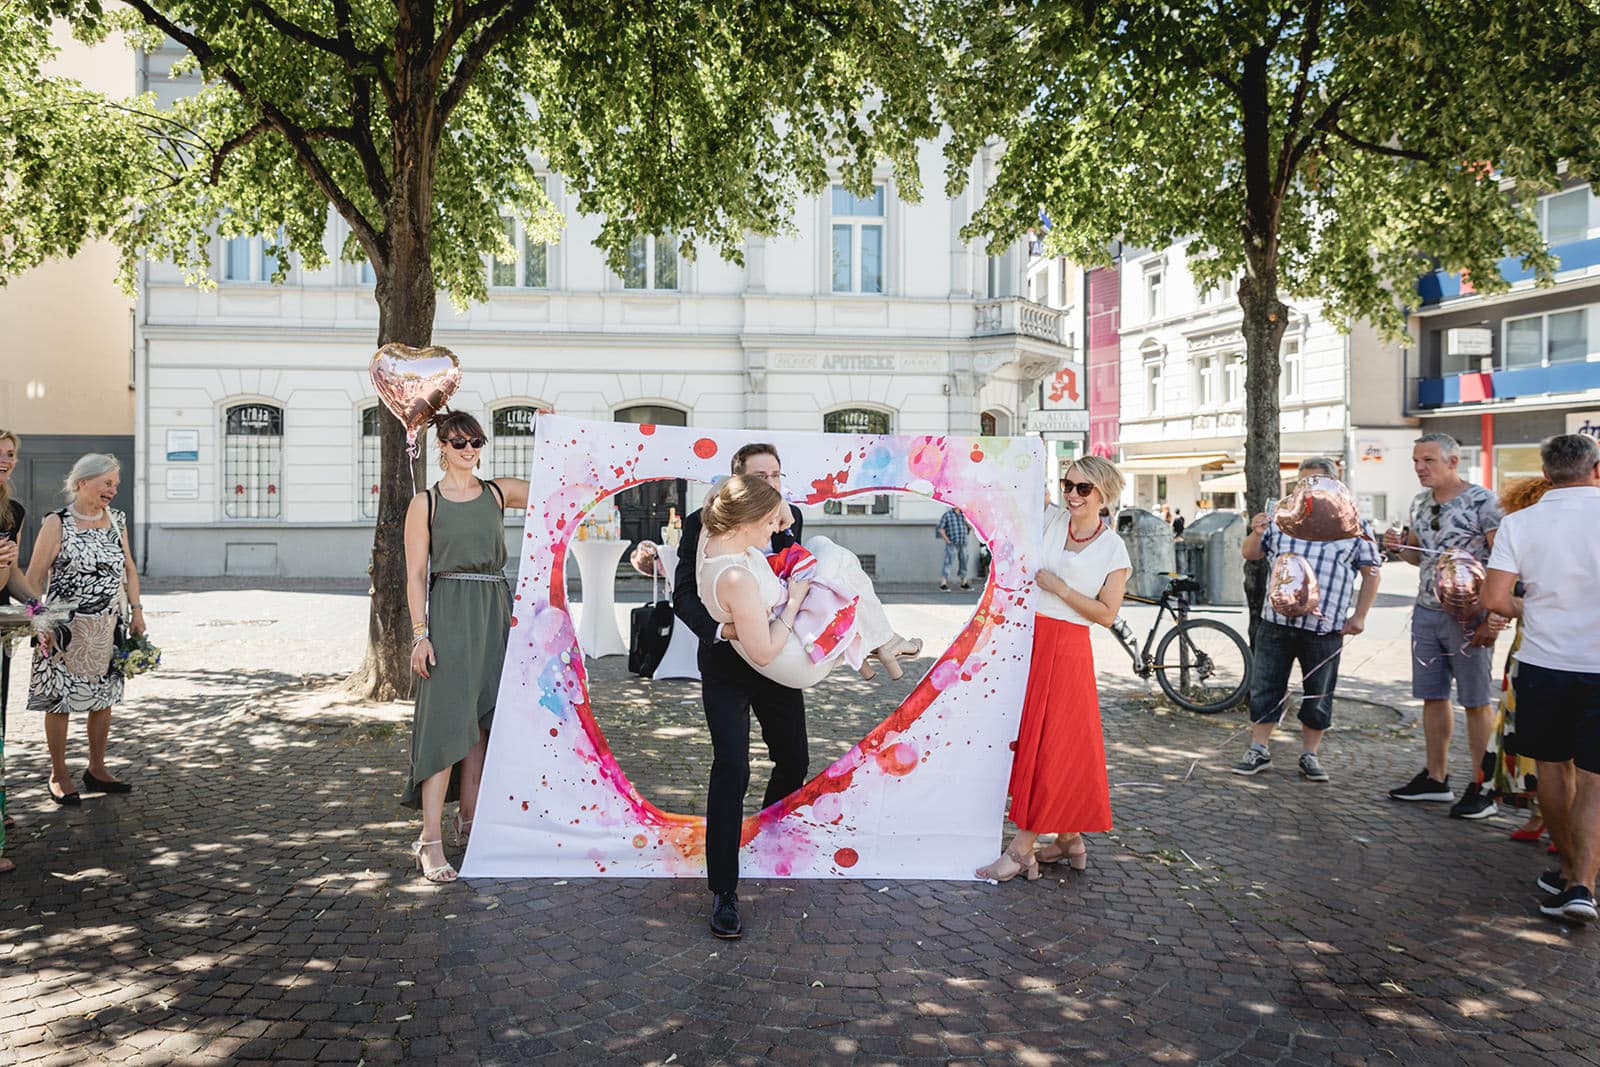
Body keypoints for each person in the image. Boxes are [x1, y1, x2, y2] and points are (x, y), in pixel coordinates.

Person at [668, 443, 804, 939]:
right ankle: (724, 888)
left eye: (777, 473)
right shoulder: (697, 525)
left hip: (774, 660)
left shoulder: (791, 517)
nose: (772, 483)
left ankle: (767, 841)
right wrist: (720, 631)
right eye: (760, 476)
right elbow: (682, 593)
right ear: (736, 481)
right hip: (725, 658)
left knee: (794, 758)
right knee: (732, 766)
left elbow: (794, 576)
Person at [978, 457, 1130, 882]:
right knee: (1037, 739)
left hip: (1068, 648)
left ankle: (1021, 848)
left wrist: (1062, 589)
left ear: (1104, 494)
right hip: (1030, 641)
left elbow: (1106, 614)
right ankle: (1069, 840)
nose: (1072, 494)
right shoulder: (1050, 520)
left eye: (1083, 489)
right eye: (1068, 485)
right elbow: (1006, 492)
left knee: (1053, 744)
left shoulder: (1112, 548)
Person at [402, 411, 528, 883]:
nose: (470, 450)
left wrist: (553, 428)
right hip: (451, 613)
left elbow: (557, 488)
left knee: (483, 724)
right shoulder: (426, 503)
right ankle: (429, 839)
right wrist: (420, 634)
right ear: (441, 446)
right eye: (459, 443)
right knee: (446, 727)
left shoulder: (497, 493)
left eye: (476, 441)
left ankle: (471, 822)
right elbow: (415, 574)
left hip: (496, 609)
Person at [1482, 434, 1600, 924]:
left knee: (1553, 769)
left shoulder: (1519, 522)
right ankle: (1583, 885)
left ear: (1546, 473)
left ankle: (1571, 872)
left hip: (1545, 662)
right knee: (1595, 778)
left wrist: (1531, 607)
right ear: (1596, 468)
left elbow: (1493, 599)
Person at [1232, 458, 1382, 782]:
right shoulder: (1281, 518)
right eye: (1303, 483)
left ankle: (1310, 755)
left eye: (1315, 482)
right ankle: (1259, 749)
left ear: (1334, 484)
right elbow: (1250, 553)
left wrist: (1360, 616)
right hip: (1276, 623)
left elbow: (1371, 571)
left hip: (1324, 627)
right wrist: (1256, 533)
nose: (1308, 490)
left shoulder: (1353, 523)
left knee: (1319, 693)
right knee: (1266, 686)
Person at [696, 474, 921, 689]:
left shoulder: (713, 535)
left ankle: (877, 640)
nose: (777, 528)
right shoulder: (736, 579)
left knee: (818, 546)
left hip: (788, 631)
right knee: (836, 557)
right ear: (746, 522)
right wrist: (794, 600)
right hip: (794, 656)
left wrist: (779, 502)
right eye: (771, 522)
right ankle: (883, 641)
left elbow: (725, 488)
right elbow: (763, 654)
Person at [1382, 432, 1503, 817]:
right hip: (1426, 611)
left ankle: (1482, 785)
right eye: (1416, 461)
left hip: (1470, 615)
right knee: (1432, 695)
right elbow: (1420, 557)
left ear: (1453, 461)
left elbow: (1504, 559)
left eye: (1428, 460)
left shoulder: (1484, 501)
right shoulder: (1420, 502)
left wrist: (1495, 614)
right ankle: (1436, 778)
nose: (1419, 468)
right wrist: (1398, 548)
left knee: (1476, 699)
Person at [24, 454, 143, 806]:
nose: (113, 490)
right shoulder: (57, 522)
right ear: (82, 483)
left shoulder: (117, 520)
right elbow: (33, 577)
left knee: (103, 699)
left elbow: (131, 570)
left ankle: (96, 768)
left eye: (116, 484)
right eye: (107, 482)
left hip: (108, 624)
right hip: (62, 628)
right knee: (58, 698)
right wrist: (39, 621)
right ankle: (58, 773)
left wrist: (136, 610)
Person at [1482, 476, 1553, 845]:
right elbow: (1501, 597)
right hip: (1526, 651)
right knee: (1528, 736)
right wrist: (1498, 618)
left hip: (1553, 652)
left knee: (1559, 743)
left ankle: (1562, 822)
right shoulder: (1525, 542)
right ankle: (1541, 813)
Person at [0, 429, 28, 874]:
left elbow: (14, 575)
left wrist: (40, 607)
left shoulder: (13, 511)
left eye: (10, 455)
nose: (6, 460)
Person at [936, 505, 971, 591]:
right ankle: (943, 584)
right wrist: (947, 540)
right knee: (948, 562)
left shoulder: (965, 515)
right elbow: (940, 528)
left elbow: (972, 527)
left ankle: (964, 583)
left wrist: (967, 522)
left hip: (963, 543)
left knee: (964, 563)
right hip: (952, 543)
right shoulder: (947, 515)